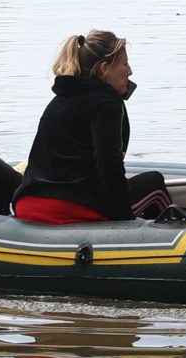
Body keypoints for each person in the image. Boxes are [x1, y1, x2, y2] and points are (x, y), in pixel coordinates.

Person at [13, 30, 172, 225]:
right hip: (68, 208)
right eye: (124, 64)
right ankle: (178, 239)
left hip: (28, 205)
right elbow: (108, 162)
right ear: (104, 68)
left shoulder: (60, 99)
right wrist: (126, 220)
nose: (130, 71)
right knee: (153, 184)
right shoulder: (106, 103)